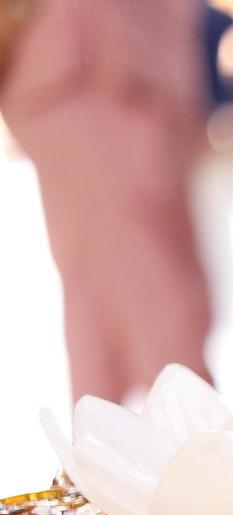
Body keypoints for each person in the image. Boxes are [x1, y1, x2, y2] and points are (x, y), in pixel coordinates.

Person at [0, 0, 213, 404]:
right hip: (97, 68)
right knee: (152, 280)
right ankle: (191, 438)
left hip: (94, 68)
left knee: (96, 285)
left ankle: (107, 445)